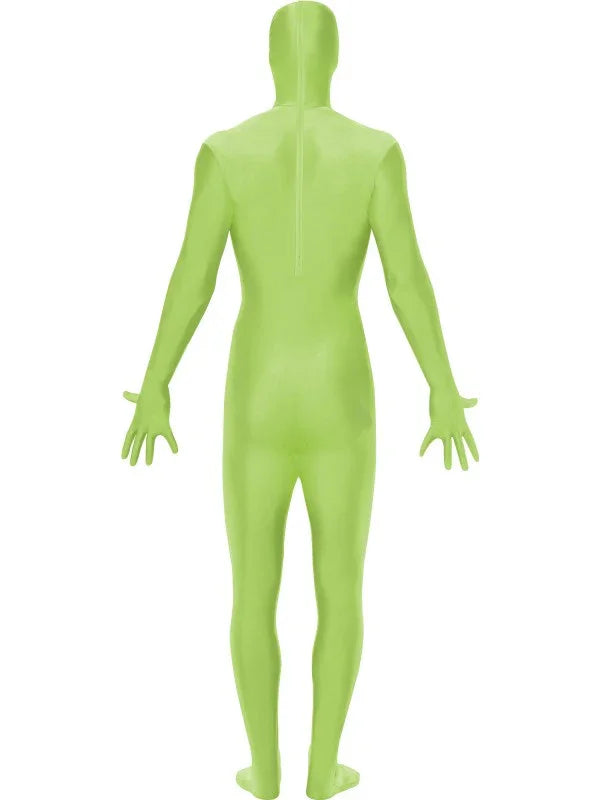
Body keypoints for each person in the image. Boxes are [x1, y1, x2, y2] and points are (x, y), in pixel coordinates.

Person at [121, 2, 478, 798]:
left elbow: (192, 278)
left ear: (271, 59)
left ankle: (266, 770)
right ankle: (322, 769)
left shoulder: (225, 152)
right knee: (340, 588)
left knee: (251, 588)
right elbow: (406, 281)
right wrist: (442, 389)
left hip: (256, 393)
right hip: (340, 394)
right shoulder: (376, 153)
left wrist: (156, 385)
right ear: (337, 59)